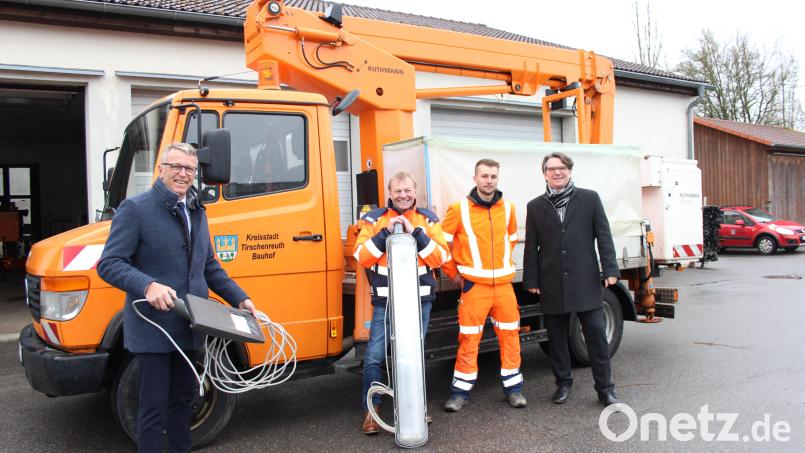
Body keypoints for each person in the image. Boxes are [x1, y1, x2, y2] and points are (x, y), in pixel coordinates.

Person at [97, 142, 257, 452]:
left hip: (190, 326)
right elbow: (109, 264)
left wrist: (239, 298)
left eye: (189, 169)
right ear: (161, 170)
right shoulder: (136, 209)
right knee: (152, 408)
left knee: (184, 401)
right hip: (154, 330)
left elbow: (208, 265)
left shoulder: (197, 211)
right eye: (176, 167)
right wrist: (147, 286)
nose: (183, 173)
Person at [522, 151, 622, 407]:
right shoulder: (535, 206)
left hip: (585, 280)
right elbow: (531, 246)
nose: (557, 172)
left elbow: (604, 235)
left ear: (569, 171)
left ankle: (605, 389)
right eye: (552, 168)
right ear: (544, 174)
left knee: (596, 337)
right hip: (551, 282)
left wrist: (610, 269)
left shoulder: (589, 199)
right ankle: (563, 384)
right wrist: (531, 279)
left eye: (562, 168)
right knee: (556, 340)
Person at [352, 171, 449, 435]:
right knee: (374, 356)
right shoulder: (375, 220)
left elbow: (440, 258)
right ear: (390, 193)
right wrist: (385, 233)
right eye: (398, 191)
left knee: (413, 356)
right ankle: (371, 411)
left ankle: (416, 408)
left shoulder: (427, 220)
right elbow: (362, 256)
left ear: (415, 192)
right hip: (385, 300)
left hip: (419, 299)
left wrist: (415, 233)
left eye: (407, 190)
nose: (403, 195)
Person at [441, 159, 527, 412]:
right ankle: (460, 393)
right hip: (474, 288)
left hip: (504, 288)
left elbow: (511, 240)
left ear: (497, 178)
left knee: (510, 337)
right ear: (475, 178)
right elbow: (441, 244)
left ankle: (514, 390)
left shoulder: (509, 209)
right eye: (484, 176)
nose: (489, 180)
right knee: (468, 340)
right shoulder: (458, 209)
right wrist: (452, 273)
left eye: (493, 176)